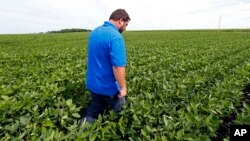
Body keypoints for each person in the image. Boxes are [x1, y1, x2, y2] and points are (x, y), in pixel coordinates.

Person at [79, 9, 130, 126]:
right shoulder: (116, 36)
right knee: (121, 113)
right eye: (126, 25)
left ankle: (78, 134)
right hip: (108, 88)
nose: (125, 28)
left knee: (95, 107)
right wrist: (123, 88)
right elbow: (118, 68)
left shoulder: (94, 32)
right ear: (121, 20)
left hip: (93, 85)